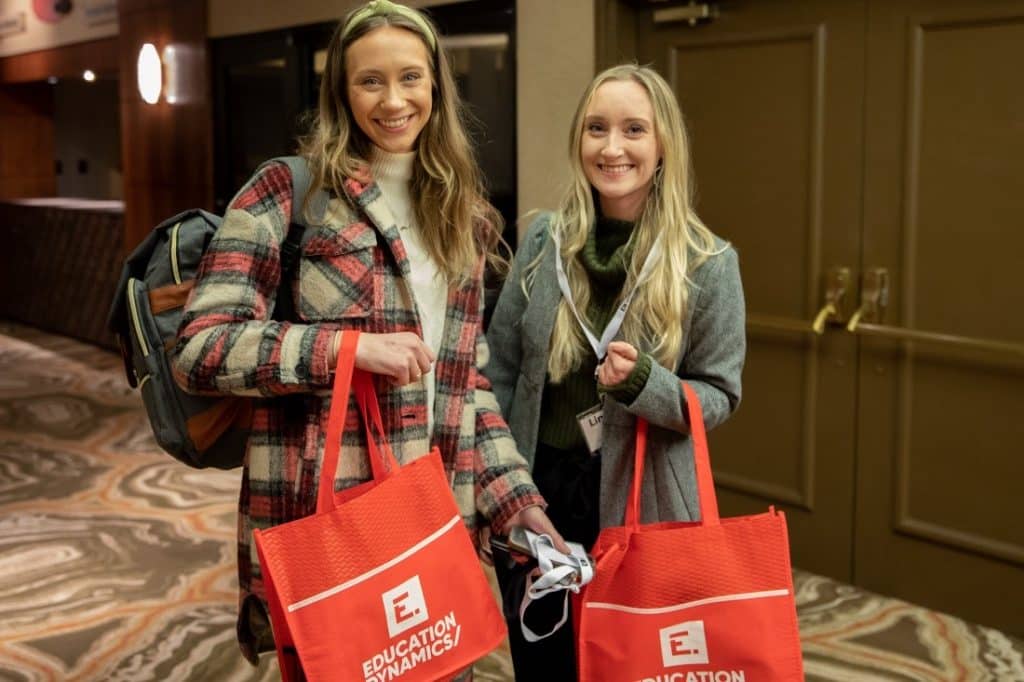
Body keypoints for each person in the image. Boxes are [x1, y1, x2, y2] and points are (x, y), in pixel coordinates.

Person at [171, 0, 563, 674]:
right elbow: (201, 347)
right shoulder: (287, 194)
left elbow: (468, 382)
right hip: (335, 520)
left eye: (410, 77)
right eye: (369, 81)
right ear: (340, 93)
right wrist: (346, 350)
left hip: (438, 519)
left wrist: (516, 503)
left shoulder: (464, 217)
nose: (393, 100)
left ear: (436, 84)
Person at [483, 63, 746, 680]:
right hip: (537, 490)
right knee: (541, 655)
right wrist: (498, 484)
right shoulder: (544, 240)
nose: (612, 147)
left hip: (637, 493)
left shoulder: (707, 262)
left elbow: (719, 397)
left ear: (662, 147)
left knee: (625, 660)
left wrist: (645, 384)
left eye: (634, 129)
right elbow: (502, 369)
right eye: (596, 128)